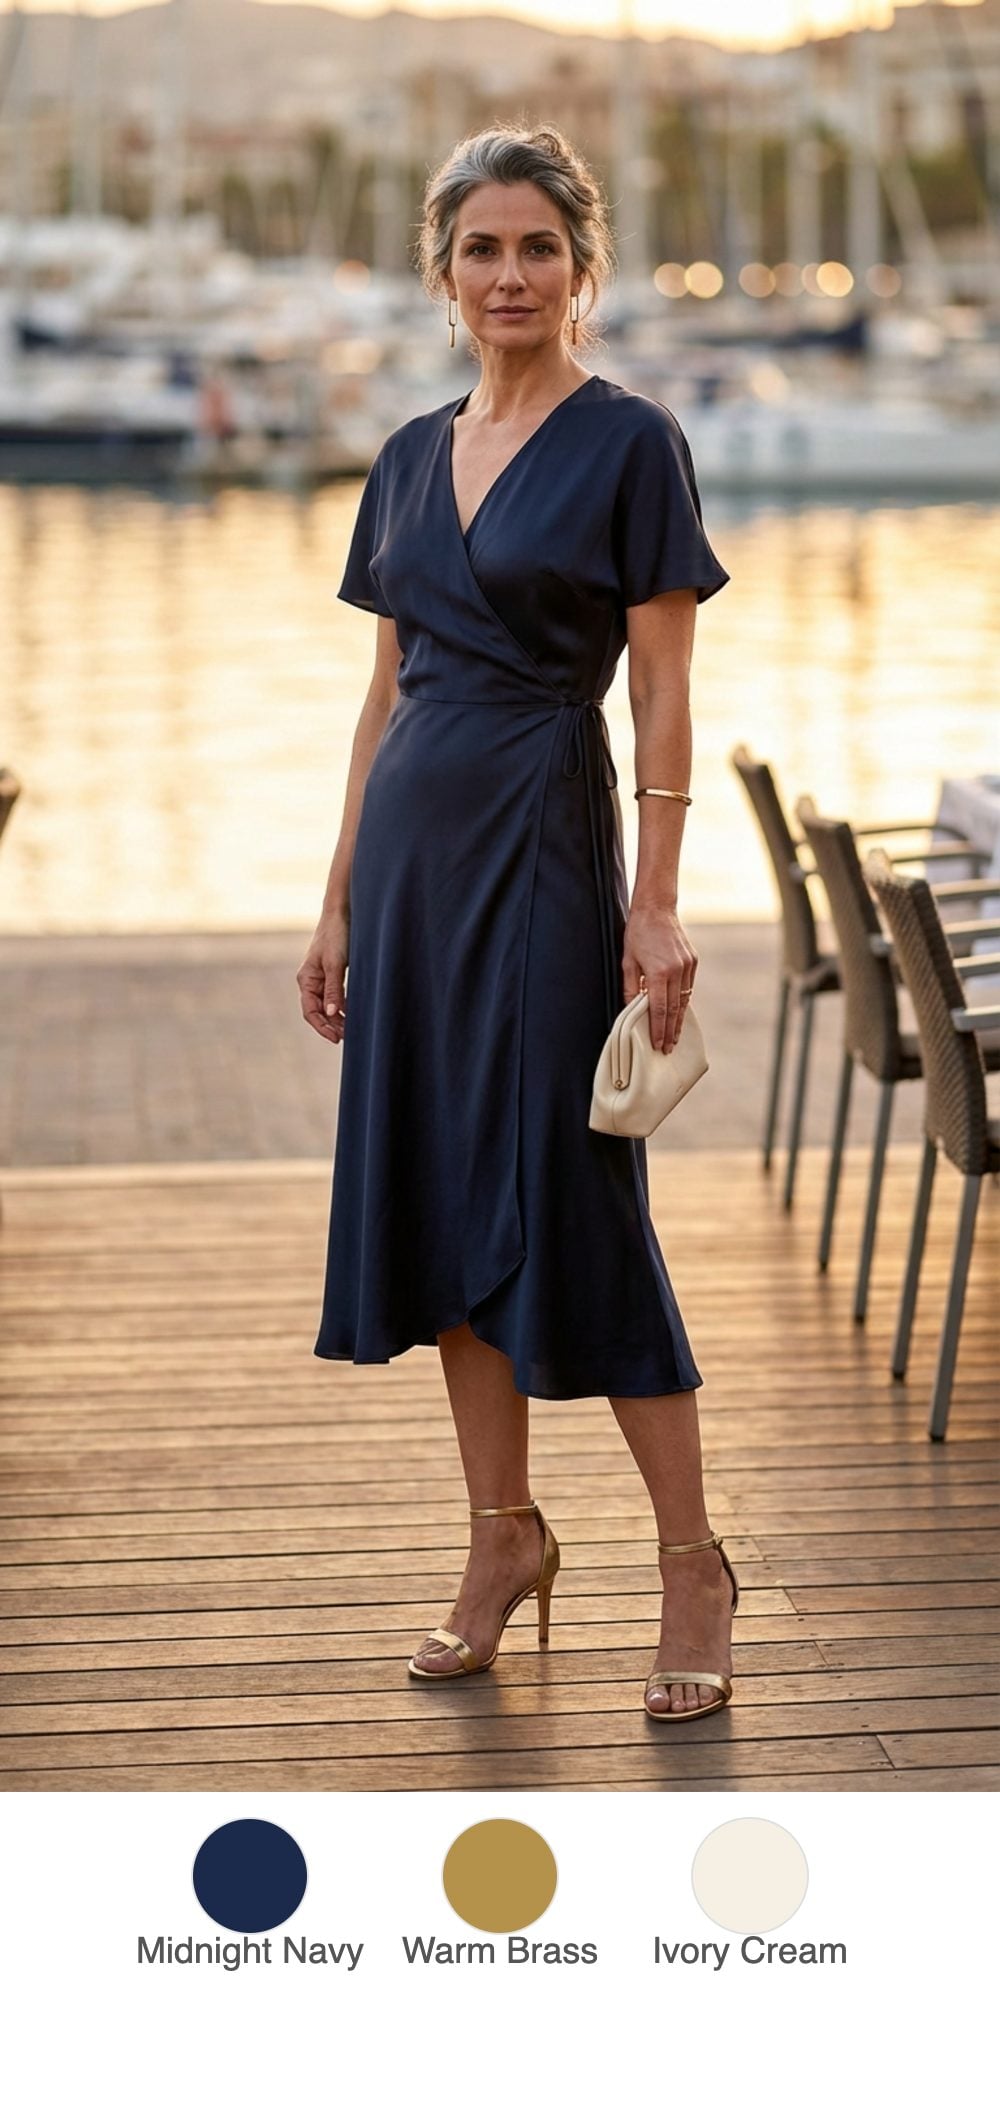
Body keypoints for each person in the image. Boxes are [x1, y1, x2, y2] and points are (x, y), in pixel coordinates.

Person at [298, 124, 737, 1722]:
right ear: (444, 271)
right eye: (479, 250)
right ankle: (503, 1540)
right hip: (414, 862)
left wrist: (661, 895)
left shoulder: (632, 443)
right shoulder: (409, 454)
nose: (507, 276)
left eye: (535, 248)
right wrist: (338, 894)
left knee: (572, 1197)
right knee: (436, 1197)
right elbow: (383, 693)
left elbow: (668, 691)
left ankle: (692, 1561)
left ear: (581, 266)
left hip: (550, 838)